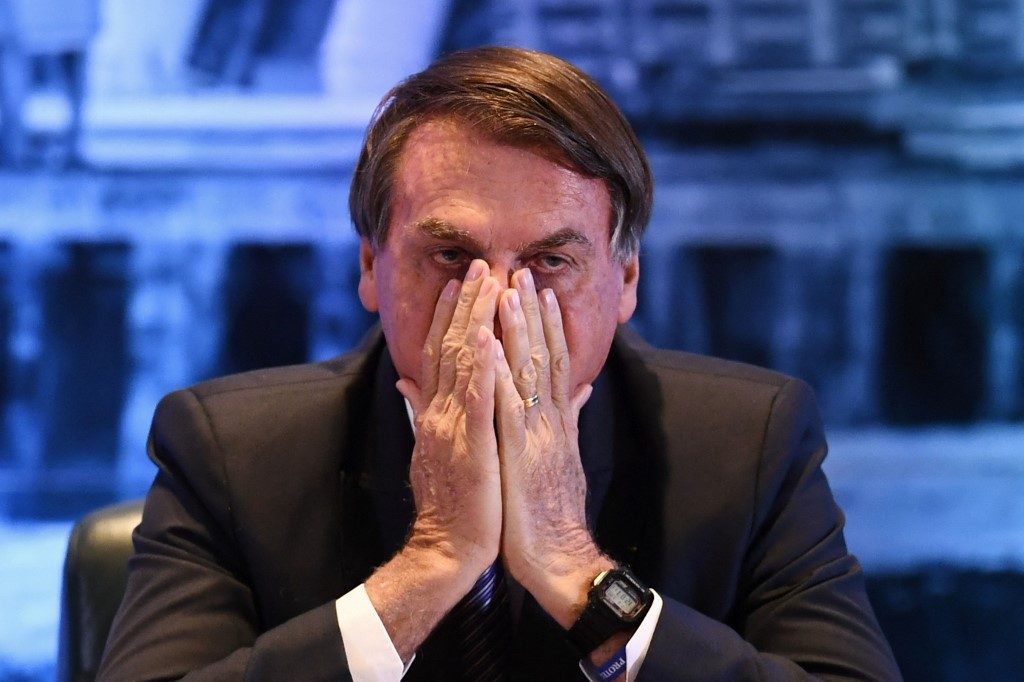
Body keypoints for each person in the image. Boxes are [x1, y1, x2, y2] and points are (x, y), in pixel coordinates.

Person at [98, 47, 901, 681]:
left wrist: (578, 573)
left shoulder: (749, 445)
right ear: (372, 266)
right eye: (451, 256)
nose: (498, 306)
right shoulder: (230, 454)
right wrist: (428, 568)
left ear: (625, 279)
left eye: (550, 262)